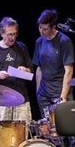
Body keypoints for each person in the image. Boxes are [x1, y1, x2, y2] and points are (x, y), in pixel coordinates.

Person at [0, 16, 34, 144]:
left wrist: (25, 70)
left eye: (15, 34)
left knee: (22, 138)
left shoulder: (22, 47)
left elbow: (31, 69)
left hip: (21, 99)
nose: (13, 38)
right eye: (10, 34)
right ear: (2, 33)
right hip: (0, 101)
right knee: (1, 138)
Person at [32, 9, 75, 146]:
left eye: (44, 29)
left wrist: (63, 97)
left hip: (60, 93)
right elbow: (38, 68)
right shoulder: (39, 42)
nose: (41, 31)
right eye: (40, 27)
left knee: (69, 133)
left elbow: (68, 70)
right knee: (50, 135)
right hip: (44, 95)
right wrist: (38, 91)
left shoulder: (64, 41)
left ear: (53, 27)